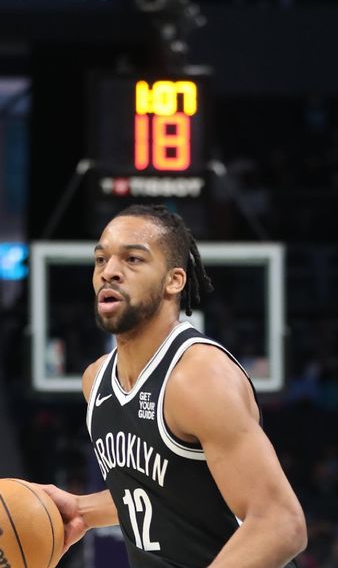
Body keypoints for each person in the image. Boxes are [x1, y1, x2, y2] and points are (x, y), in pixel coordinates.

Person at [40, 204, 307, 568]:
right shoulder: (96, 381)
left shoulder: (198, 379)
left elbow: (280, 523)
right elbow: (163, 493)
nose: (110, 272)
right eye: (101, 260)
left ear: (174, 280)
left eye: (133, 260)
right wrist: (84, 511)